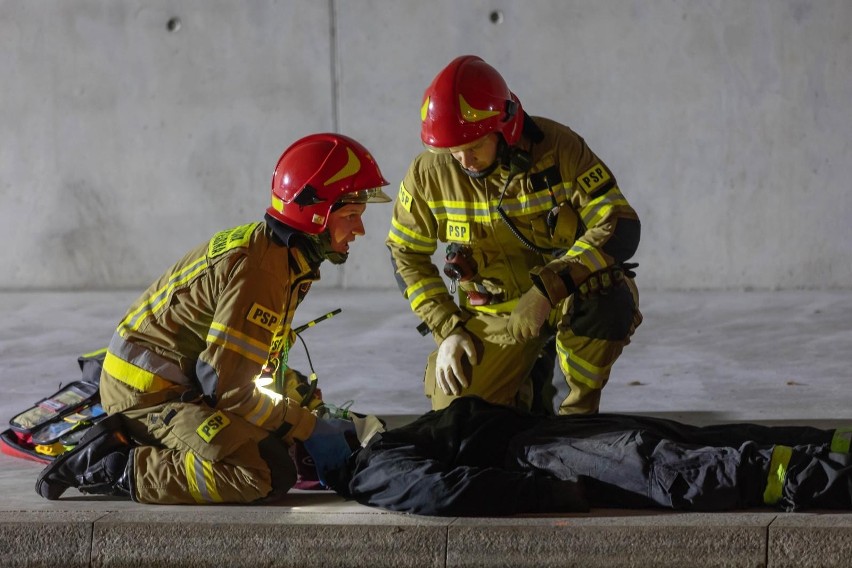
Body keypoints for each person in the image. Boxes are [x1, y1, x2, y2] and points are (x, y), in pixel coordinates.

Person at [35, 133, 391, 504]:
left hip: (185, 380)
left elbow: (245, 364)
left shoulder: (282, 258)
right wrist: (309, 426)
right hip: (148, 396)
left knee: (288, 411)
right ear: (315, 212)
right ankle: (118, 466)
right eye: (351, 216)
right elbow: (230, 391)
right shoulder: (262, 272)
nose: (360, 230)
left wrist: (303, 409)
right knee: (263, 471)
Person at [386, 55, 642, 416]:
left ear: (505, 128)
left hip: (567, 295)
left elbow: (619, 222)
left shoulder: (559, 149)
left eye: (474, 147)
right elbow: (405, 253)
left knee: (608, 300)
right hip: (492, 312)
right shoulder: (429, 174)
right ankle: (524, 387)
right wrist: (448, 329)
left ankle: (576, 420)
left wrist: (548, 288)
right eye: (452, 150)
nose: (464, 160)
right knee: (461, 415)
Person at [330, 396, 852, 517]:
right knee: (696, 470)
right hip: (544, 456)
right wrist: (549, 492)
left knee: (712, 441)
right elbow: (443, 490)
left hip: (549, 435)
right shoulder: (369, 469)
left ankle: (838, 450)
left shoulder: (376, 444)